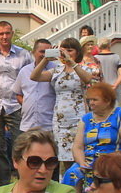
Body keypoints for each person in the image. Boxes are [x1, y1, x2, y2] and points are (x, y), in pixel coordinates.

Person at [30, 37, 95, 175]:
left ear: (77, 52)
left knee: (78, 154)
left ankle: (81, 184)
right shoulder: (57, 71)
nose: (66, 53)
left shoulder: (82, 68)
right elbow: (35, 76)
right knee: (64, 157)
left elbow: (88, 79)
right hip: (60, 120)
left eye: (70, 50)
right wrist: (46, 59)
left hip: (78, 118)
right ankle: (67, 184)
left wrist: (71, 62)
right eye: (63, 50)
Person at [0, 21, 33, 184]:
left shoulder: (24, 55)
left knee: (19, 144)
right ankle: (3, 183)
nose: (4, 37)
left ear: (12, 33)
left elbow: (31, 77)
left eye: (7, 33)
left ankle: (24, 181)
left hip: (15, 105)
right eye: (1, 34)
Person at [68, 82, 121, 190]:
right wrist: (82, 163)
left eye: (95, 100)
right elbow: (77, 147)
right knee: (72, 173)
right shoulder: (86, 119)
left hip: (111, 163)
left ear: (107, 101)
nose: (91, 103)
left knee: (100, 176)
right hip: (88, 163)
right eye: (89, 100)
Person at [12, 39, 55, 134]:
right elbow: (18, 94)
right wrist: (28, 105)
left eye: (47, 52)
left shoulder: (56, 70)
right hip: (28, 124)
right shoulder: (24, 71)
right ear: (33, 52)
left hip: (48, 124)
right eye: (42, 52)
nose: (45, 55)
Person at [94, 38, 121, 105]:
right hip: (114, 87)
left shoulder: (95, 58)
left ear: (99, 46)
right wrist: (115, 85)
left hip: (101, 87)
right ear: (109, 45)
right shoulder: (116, 57)